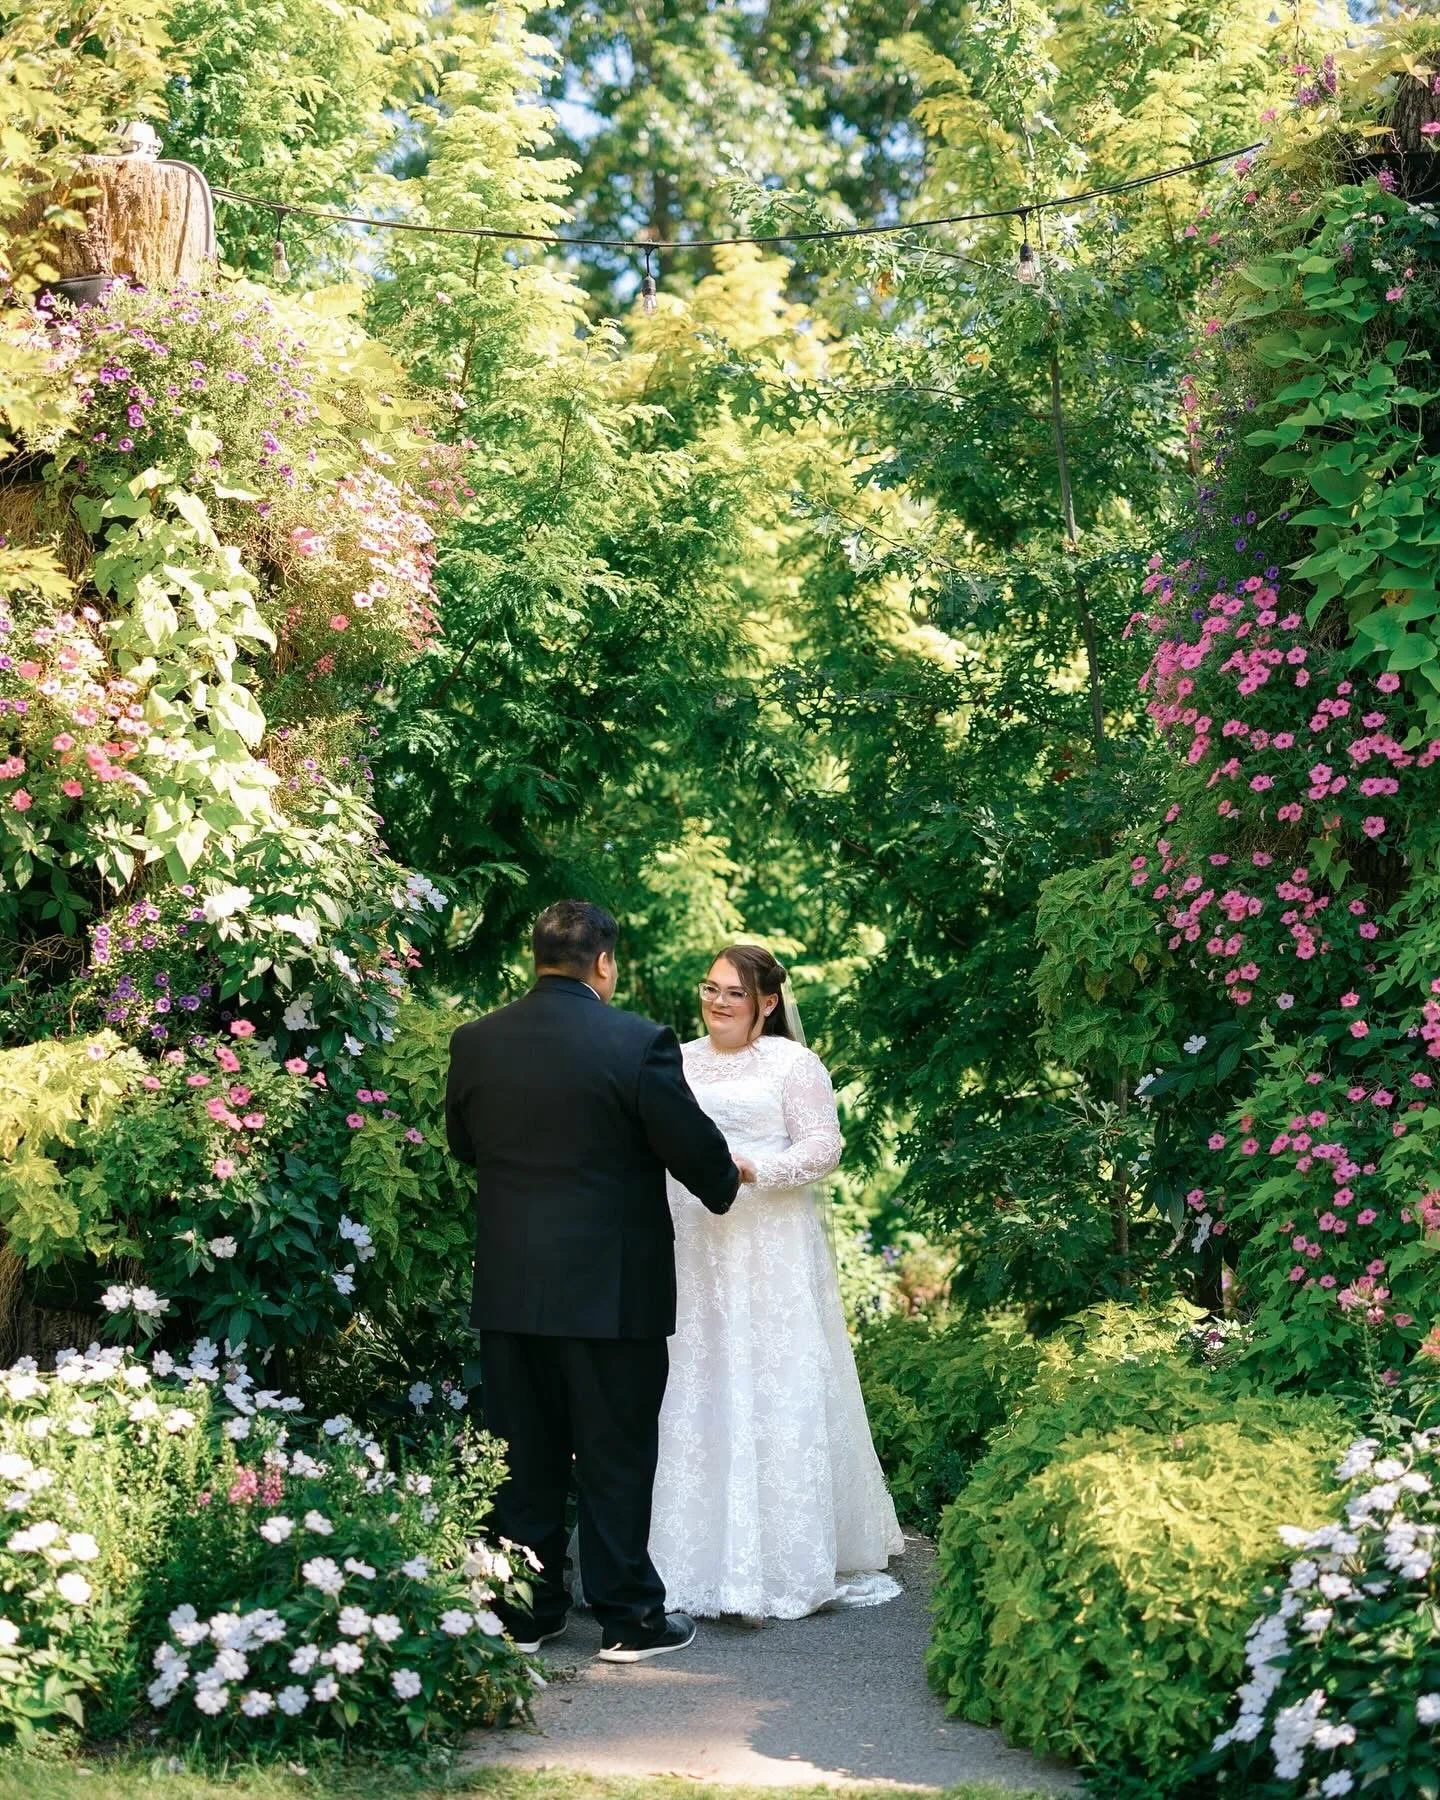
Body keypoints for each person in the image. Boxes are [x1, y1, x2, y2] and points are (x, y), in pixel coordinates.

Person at [445, 900, 752, 1663]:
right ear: (604, 963)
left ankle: (528, 1611)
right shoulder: (635, 1041)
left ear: (535, 955)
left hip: (513, 1287)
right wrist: (722, 1182)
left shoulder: (476, 1042)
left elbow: (465, 1145)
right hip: (613, 1292)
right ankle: (628, 1618)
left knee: (524, 1454)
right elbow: (692, 1146)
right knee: (614, 1453)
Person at [649, 943, 904, 1620]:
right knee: (694, 1378)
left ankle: (782, 1556)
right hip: (693, 1243)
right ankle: (689, 1558)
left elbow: (824, 1145)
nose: (718, 1003)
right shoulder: (674, 1058)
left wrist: (756, 1170)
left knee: (773, 1377)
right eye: (709, 989)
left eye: (734, 993)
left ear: (766, 1003)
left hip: (767, 1244)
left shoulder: (794, 1064)